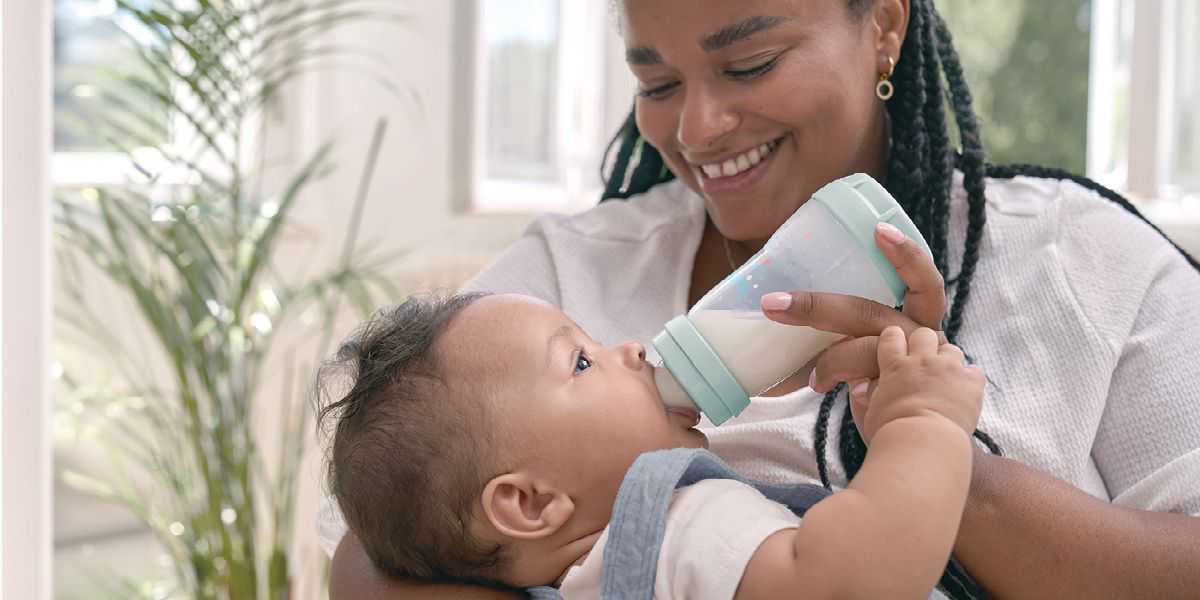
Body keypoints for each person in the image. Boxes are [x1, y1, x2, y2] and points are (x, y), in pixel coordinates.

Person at [321, 0, 1200, 597]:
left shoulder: (1077, 257)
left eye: (750, 63)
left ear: (884, 25)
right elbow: (378, 551)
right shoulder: (556, 284)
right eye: (657, 85)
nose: (697, 131)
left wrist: (944, 469)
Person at [318, 292, 983, 599]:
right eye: (581, 361)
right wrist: (924, 424)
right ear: (529, 502)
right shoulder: (672, 527)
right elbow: (851, 583)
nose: (631, 349)